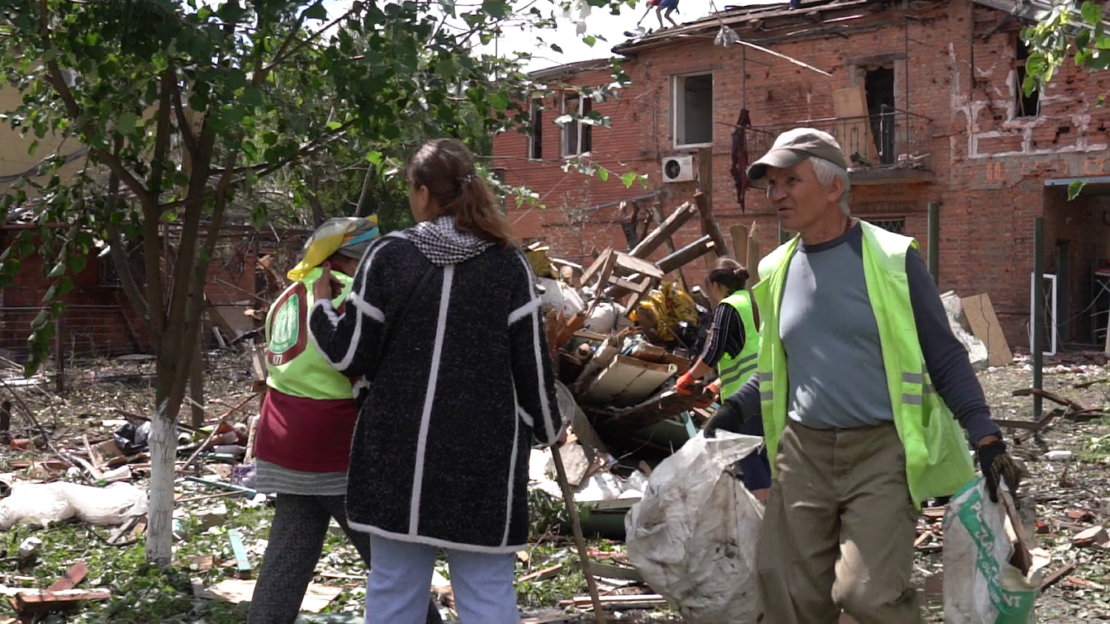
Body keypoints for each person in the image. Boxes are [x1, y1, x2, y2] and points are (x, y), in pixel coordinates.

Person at [704, 127, 1023, 623]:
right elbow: (783, 362)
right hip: (801, 453)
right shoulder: (775, 267)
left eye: (792, 180)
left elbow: (943, 353)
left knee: (867, 596)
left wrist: (984, 432)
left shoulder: (893, 257)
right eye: (771, 184)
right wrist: (735, 408)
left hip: (879, 452)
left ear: (834, 188)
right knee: (792, 596)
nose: (777, 194)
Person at [308, 138, 562, 624]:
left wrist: (322, 306)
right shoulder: (506, 263)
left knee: (394, 592)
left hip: (398, 453)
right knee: (487, 593)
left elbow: (349, 352)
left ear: (423, 192)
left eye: (410, 188)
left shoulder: (388, 257)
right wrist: (549, 427)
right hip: (483, 458)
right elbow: (532, 361)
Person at [249, 216, 443, 624]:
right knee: (393, 562)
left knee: (286, 562)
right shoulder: (354, 295)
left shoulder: (288, 295)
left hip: (282, 444)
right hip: (337, 448)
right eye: (365, 258)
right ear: (348, 260)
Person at [673, 257, 771, 501]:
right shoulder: (752, 301)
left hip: (744, 396)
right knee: (763, 455)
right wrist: (716, 385)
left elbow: (714, 350)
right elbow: (747, 349)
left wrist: (687, 377)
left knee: (747, 455)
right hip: (765, 386)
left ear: (715, 284)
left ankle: (762, 521)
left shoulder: (727, 307)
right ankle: (774, 518)